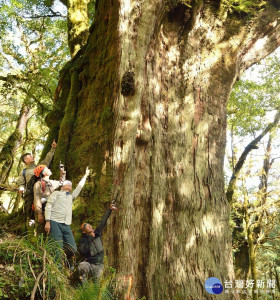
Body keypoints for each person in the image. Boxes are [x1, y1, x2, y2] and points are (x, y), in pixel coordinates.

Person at [44, 167, 90, 266]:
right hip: (55, 222)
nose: (69, 187)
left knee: (72, 248)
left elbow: (79, 188)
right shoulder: (56, 193)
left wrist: (85, 176)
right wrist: (47, 221)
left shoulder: (71, 197)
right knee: (57, 246)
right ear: (62, 187)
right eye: (67, 185)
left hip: (66, 224)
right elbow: (48, 206)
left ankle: (65, 260)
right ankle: (58, 268)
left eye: (70, 186)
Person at [17, 140, 57, 223]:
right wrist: (21, 189)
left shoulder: (38, 167)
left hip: (43, 191)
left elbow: (47, 160)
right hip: (30, 194)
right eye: (30, 157)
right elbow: (21, 183)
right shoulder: (23, 172)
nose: (32, 157)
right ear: (26, 160)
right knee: (31, 211)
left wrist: (53, 149)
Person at [78, 203, 117, 283]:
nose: (90, 227)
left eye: (90, 226)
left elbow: (103, 222)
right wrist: (90, 238)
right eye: (88, 227)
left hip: (99, 265)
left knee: (97, 284)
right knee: (81, 266)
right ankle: (84, 288)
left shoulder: (97, 233)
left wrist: (109, 210)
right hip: (89, 264)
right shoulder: (84, 240)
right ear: (84, 231)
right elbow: (82, 250)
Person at [33, 164, 66, 236]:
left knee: (51, 231)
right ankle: (40, 246)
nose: (49, 169)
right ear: (44, 173)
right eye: (47, 169)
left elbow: (61, 182)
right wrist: (39, 213)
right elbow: (37, 199)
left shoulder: (51, 182)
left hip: (51, 210)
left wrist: (62, 172)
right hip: (43, 210)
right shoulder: (38, 184)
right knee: (41, 232)